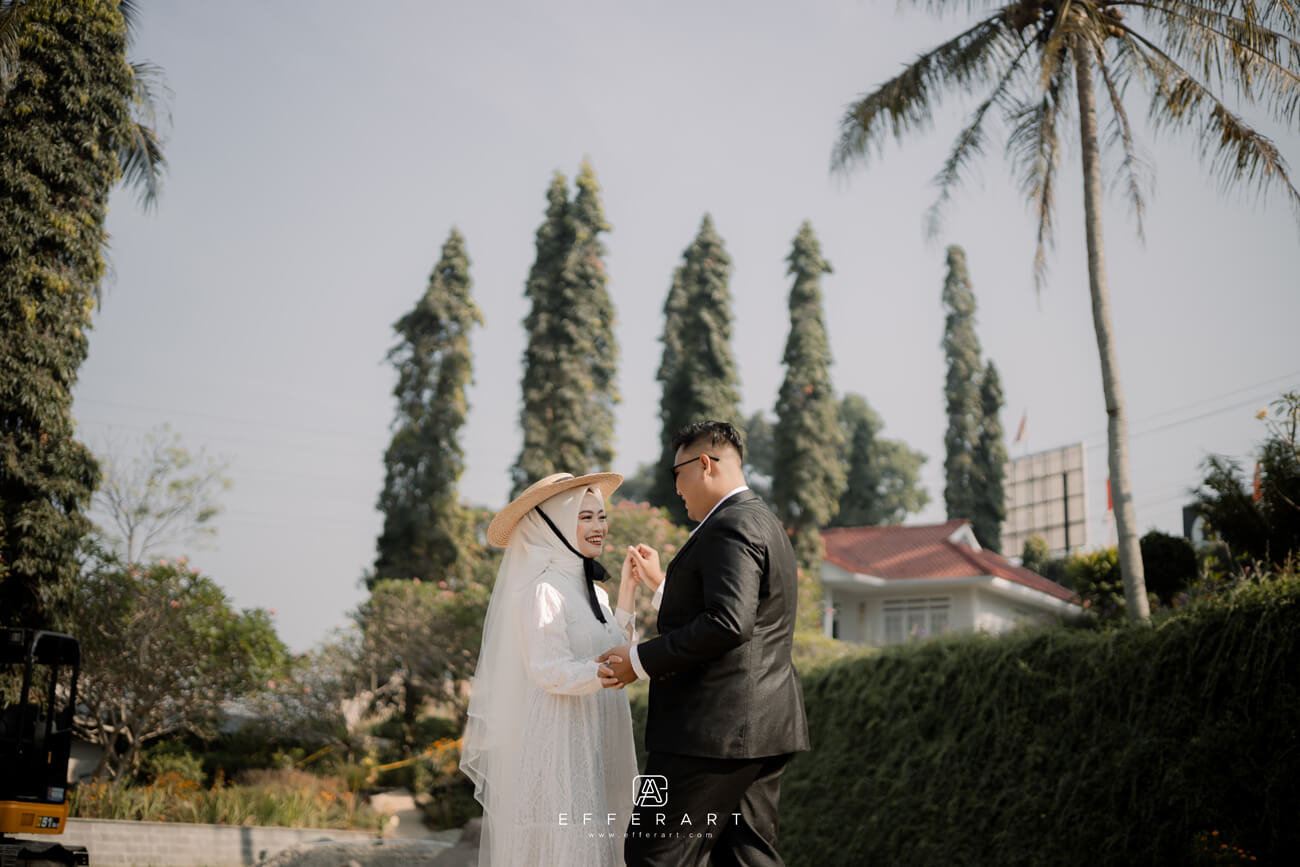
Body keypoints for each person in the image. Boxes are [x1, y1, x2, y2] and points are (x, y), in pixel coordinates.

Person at [599, 420, 810, 867]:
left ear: (705, 465)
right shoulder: (762, 521)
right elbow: (741, 614)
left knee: (653, 854)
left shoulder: (729, 526)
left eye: (677, 473)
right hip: (759, 728)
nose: (676, 488)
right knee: (745, 858)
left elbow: (728, 623)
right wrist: (661, 585)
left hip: (711, 734)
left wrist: (638, 659)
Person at [461, 472, 641, 867]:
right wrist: (600, 674)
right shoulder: (544, 590)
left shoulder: (596, 594)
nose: (599, 527)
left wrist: (628, 590)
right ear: (555, 525)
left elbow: (615, 645)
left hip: (598, 731)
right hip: (563, 738)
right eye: (585, 517)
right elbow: (548, 668)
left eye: (601, 516)